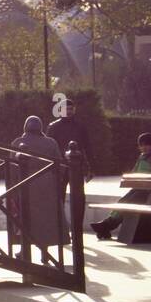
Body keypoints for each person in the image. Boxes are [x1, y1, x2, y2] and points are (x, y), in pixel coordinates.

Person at [9, 115, 64, 264]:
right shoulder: (51, 142)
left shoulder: (17, 142)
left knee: (24, 218)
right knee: (45, 220)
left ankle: (23, 250)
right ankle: (45, 252)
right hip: (47, 185)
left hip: (25, 184)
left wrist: (12, 189)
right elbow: (59, 165)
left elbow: (12, 169)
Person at [90, 133, 151, 240]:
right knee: (122, 201)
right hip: (139, 187)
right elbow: (135, 171)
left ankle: (106, 226)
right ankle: (106, 225)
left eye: (145, 145)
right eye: (141, 146)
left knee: (129, 202)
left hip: (149, 190)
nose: (143, 148)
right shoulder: (142, 156)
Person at [46, 98, 93, 182]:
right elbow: (48, 149)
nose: (68, 111)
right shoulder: (53, 127)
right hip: (59, 166)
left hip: (77, 166)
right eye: (66, 109)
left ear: (74, 110)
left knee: (78, 193)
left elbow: (88, 147)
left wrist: (91, 169)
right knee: (59, 194)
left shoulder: (80, 127)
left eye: (71, 109)